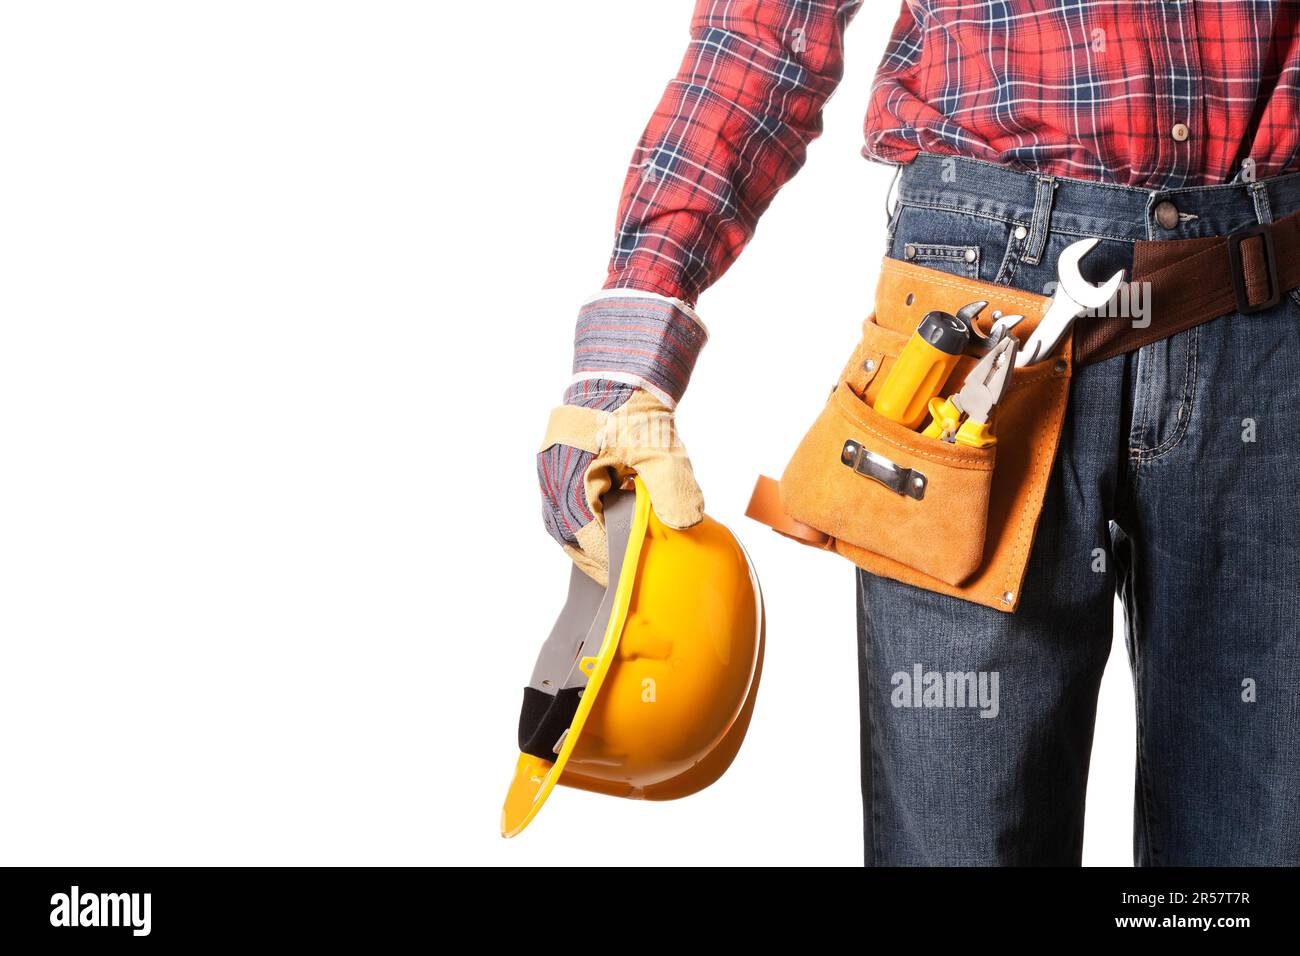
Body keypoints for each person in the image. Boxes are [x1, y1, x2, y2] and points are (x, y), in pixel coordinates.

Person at [534, 1, 1300, 866]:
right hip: (979, 305)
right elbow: (765, 35)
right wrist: (622, 370)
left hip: (1265, 295)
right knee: (959, 845)